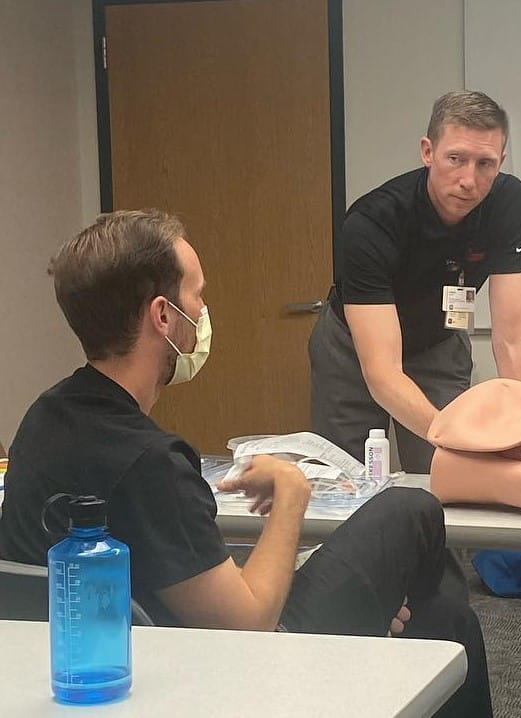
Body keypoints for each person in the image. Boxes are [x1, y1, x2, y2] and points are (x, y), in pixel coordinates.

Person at [0, 210, 492, 718]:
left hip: (102, 656)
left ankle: (412, 622)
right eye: (198, 295)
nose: (204, 310)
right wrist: (291, 493)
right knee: (410, 510)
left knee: (446, 617)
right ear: (163, 316)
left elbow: (171, 573)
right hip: (223, 671)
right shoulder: (152, 462)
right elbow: (249, 627)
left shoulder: (44, 417)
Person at [309, 90, 521, 472]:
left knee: (447, 471)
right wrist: (455, 438)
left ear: (501, 162)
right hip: (352, 349)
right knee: (346, 476)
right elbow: (383, 372)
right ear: (427, 151)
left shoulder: (509, 202)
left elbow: (514, 336)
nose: (469, 180)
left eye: (485, 163)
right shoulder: (373, 220)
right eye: (456, 159)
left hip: (437, 341)